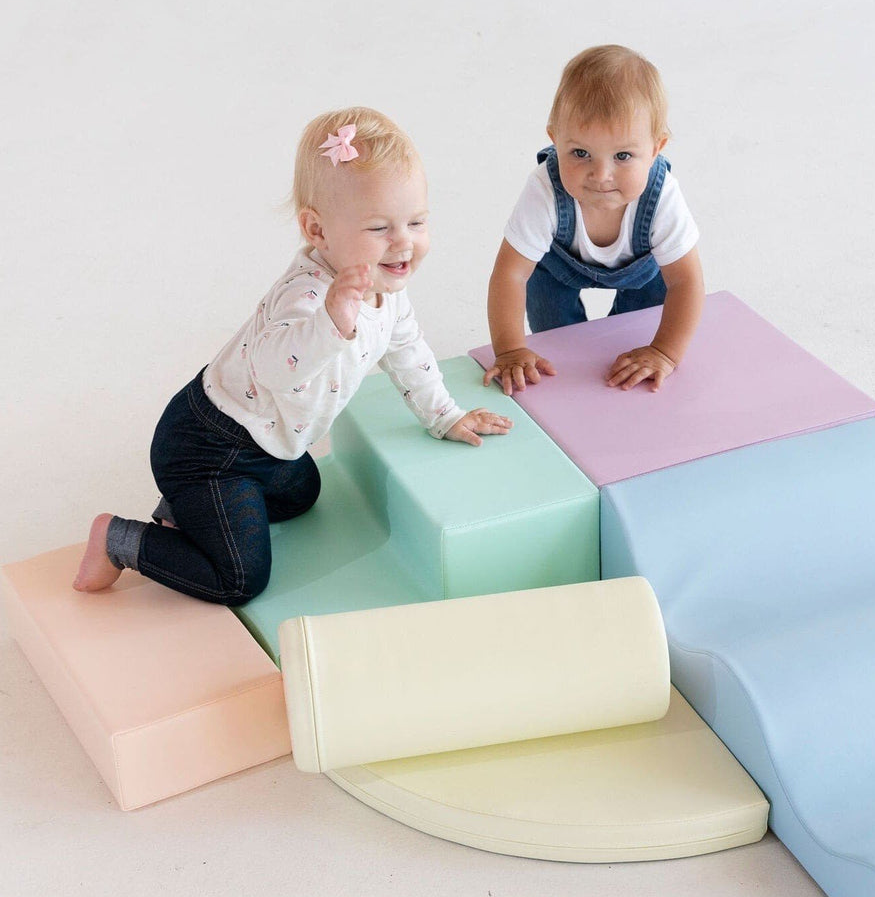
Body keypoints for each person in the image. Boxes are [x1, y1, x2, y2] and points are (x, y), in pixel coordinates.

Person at [74, 107, 511, 603]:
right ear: (317, 231)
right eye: (379, 229)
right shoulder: (308, 296)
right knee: (241, 579)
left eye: (416, 222)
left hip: (268, 444)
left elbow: (408, 351)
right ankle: (118, 539)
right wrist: (331, 322)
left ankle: (185, 512)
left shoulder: (386, 290)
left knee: (304, 493)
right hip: (209, 447)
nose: (403, 243)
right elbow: (275, 370)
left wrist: (445, 416)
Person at [483, 45, 704, 396]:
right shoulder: (544, 188)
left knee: (631, 345)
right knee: (559, 352)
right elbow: (510, 273)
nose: (601, 175)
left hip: (643, 276)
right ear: (555, 140)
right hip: (556, 273)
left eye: (623, 156)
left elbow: (686, 281)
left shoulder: (662, 195)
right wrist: (509, 350)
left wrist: (665, 351)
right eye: (581, 153)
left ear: (655, 149)